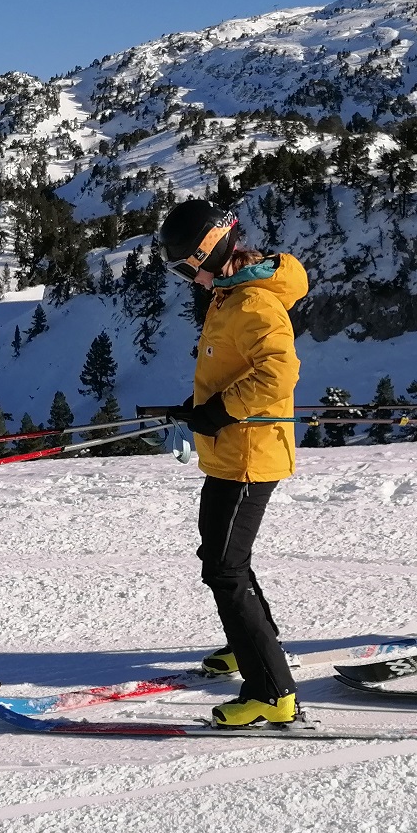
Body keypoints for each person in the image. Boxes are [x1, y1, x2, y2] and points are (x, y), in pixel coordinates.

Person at [156, 201, 310, 727]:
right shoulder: (229, 295)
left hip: (249, 455)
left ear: (210, 253)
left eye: (184, 267)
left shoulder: (253, 305)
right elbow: (231, 369)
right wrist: (197, 411)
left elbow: (278, 373)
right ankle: (250, 646)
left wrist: (219, 411)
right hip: (230, 450)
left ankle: (271, 691)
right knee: (224, 560)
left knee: (224, 567)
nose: (184, 279)